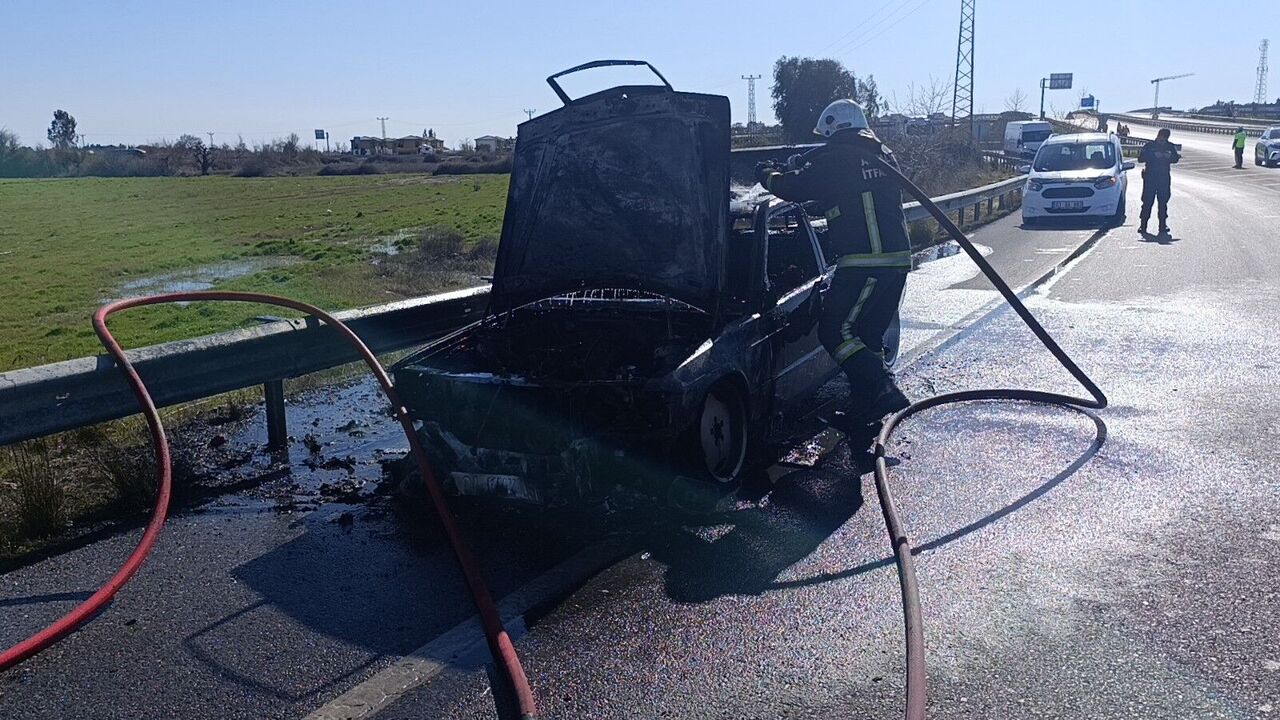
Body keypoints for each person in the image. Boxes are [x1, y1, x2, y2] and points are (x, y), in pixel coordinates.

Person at [754, 99, 911, 437]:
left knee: (834, 331)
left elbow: (793, 187)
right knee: (867, 335)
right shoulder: (882, 154)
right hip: (897, 261)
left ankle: (883, 387)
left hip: (865, 262)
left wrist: (766, 173)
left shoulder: (839, 158)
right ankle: (866, 408)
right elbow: (844, 194)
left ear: (835, 130)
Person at [1137, 128, 1181, 235]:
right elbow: (1140, 158)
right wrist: (1153, 155)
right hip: (1150, 178)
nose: (1163, 139)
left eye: (1165, 138)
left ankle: (1162, 225)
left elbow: (1175, 158)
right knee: (1147, 202)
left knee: (1163, 202)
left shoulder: (1170, 146)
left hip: (1163, 178)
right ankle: (1143, 225)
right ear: (1158, 136)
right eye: (1162, 137)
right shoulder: (1149, 146)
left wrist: (1168, 156)